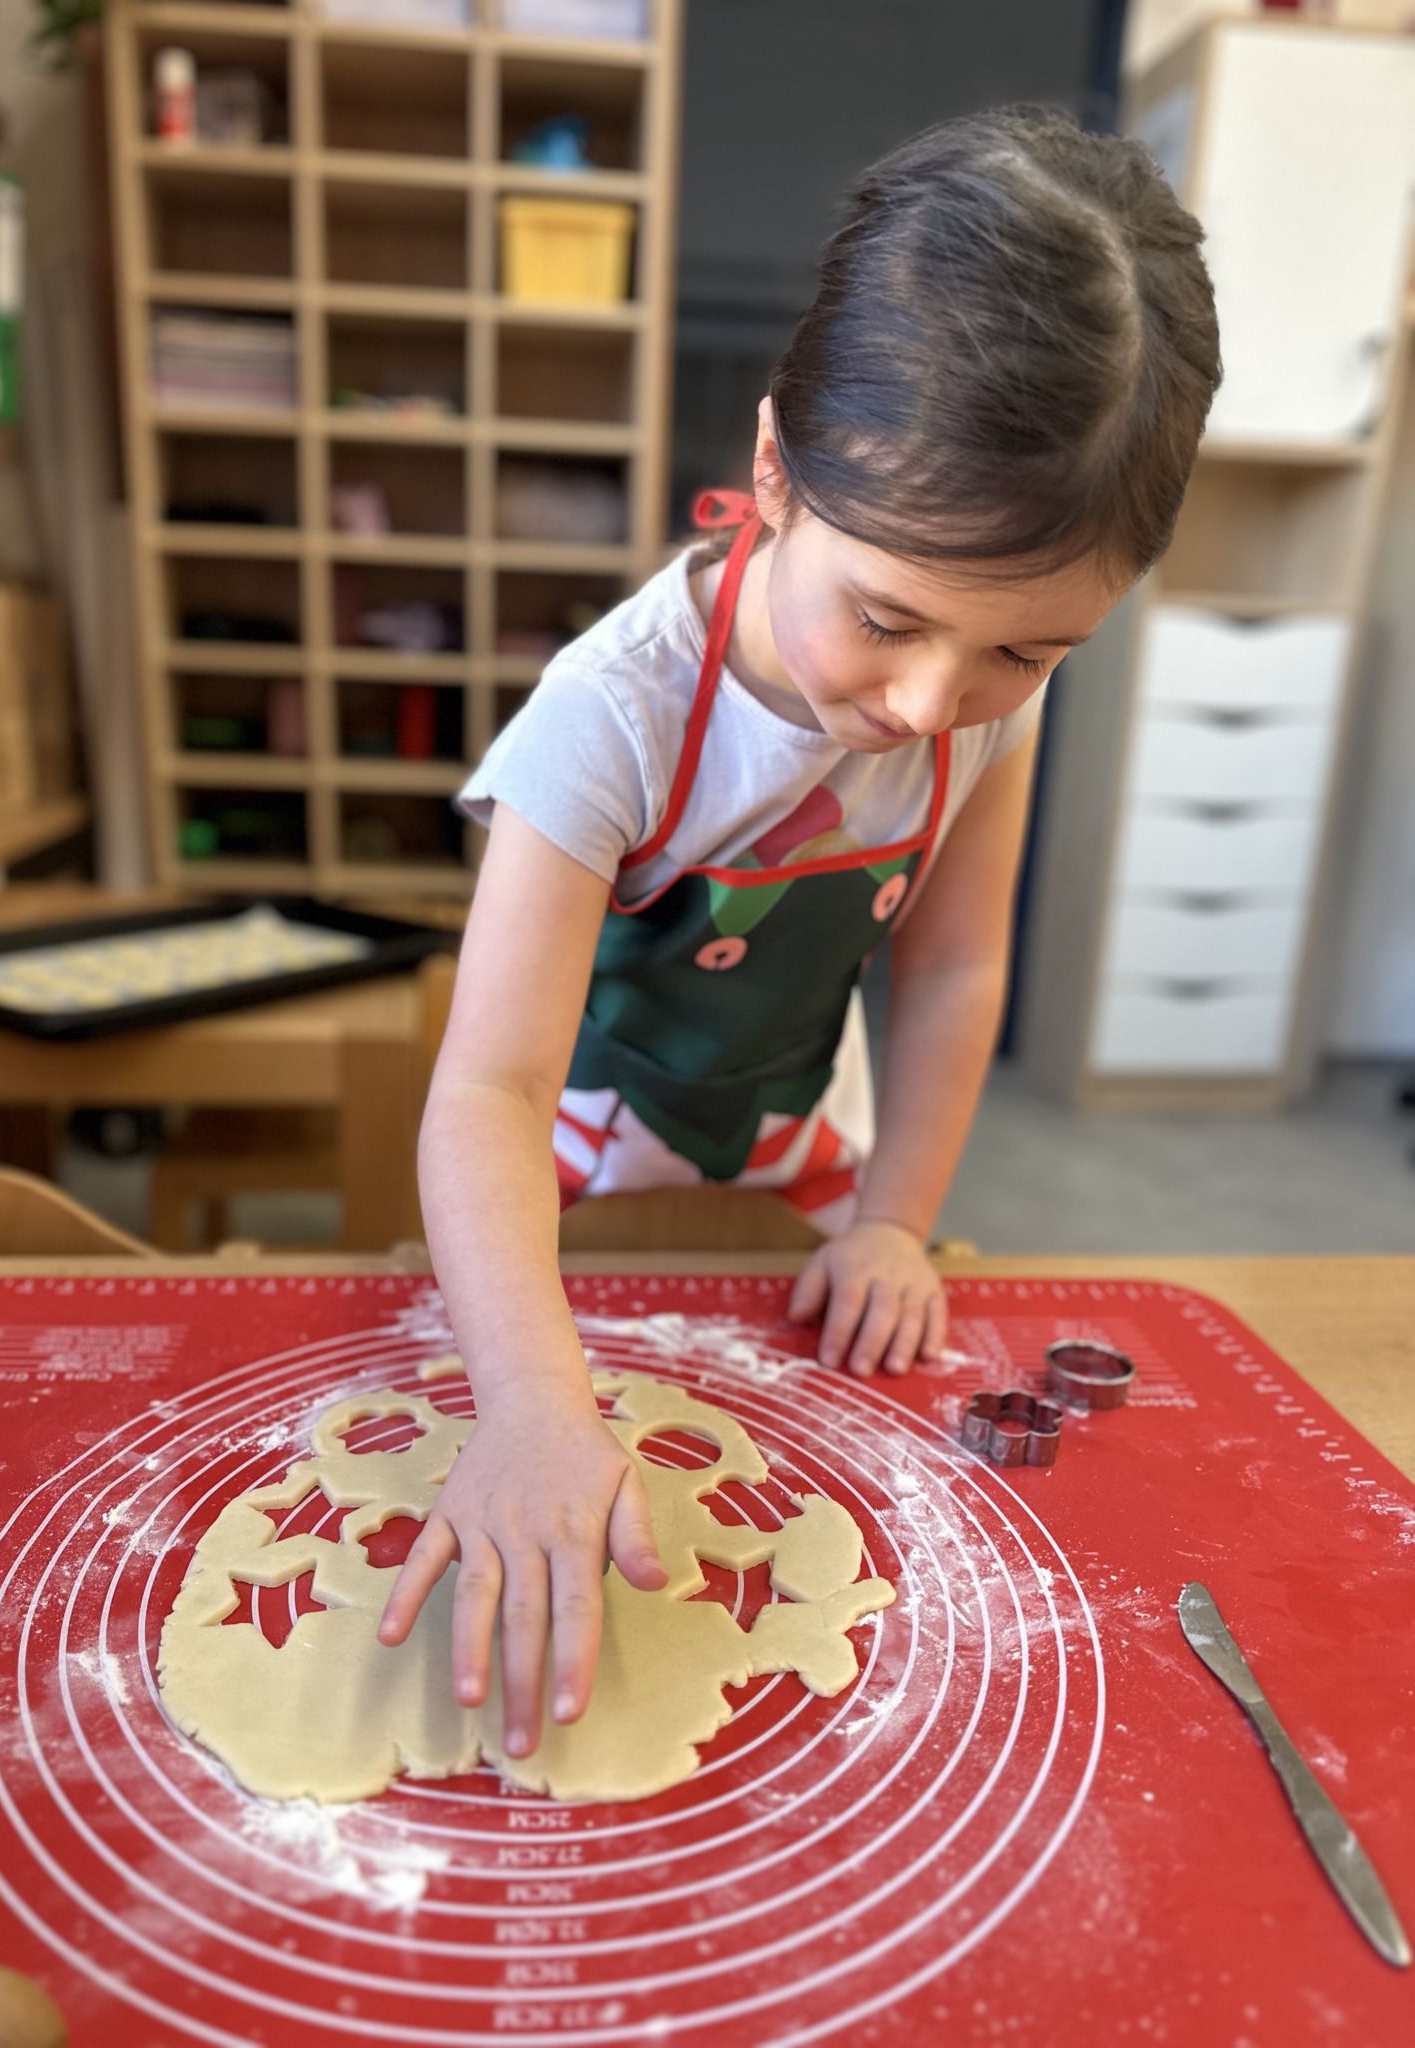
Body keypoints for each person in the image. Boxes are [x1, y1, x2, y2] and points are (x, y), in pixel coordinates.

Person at [379, 106, 1221, 1759]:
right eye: (887, 617)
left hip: (795, 1192)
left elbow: (955, 968)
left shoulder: (980, 705)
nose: (929, 703)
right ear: (774, 470)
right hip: (554, 1212)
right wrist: (532, 1402)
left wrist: (897, 1221)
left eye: (1025, 654)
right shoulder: (609, 718)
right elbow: (487, 1092)